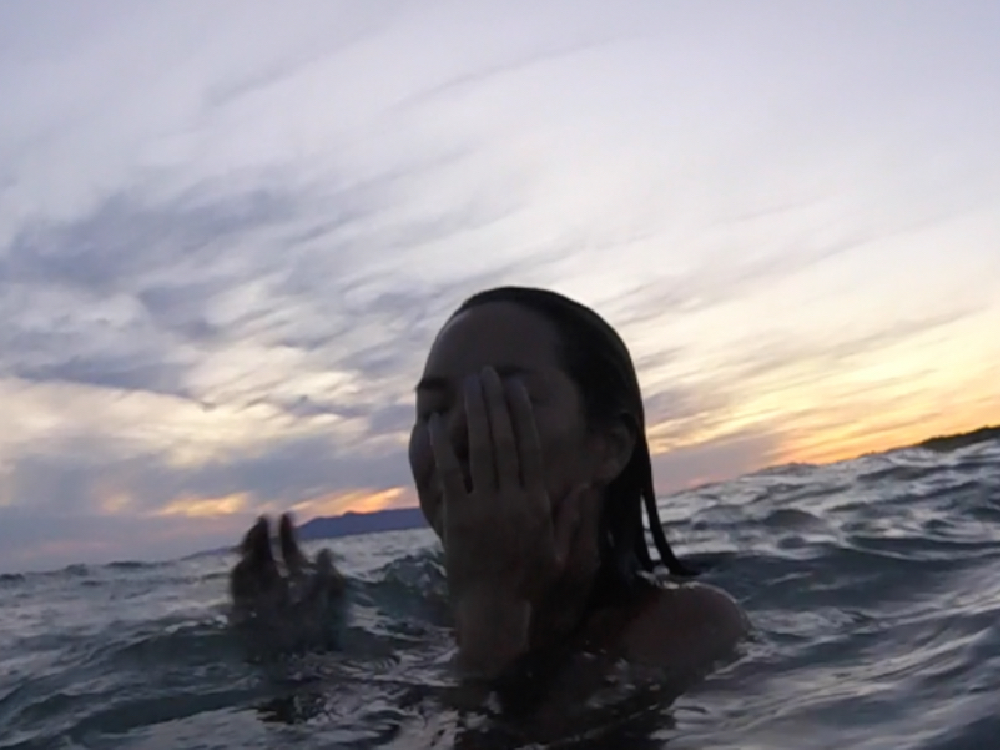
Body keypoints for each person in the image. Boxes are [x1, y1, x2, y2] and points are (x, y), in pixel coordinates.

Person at [229, 286, 747, 727]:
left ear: (608, 447)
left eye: (501, 403)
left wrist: (493, 617)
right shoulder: (430, 622)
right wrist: (296, 673)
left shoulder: (689, 626)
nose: (458, 433)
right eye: (432, 411)